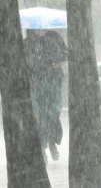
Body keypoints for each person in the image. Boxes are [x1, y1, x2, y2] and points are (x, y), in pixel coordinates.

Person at [24, 29, 68, 163]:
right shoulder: (27, 43)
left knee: (53, 113)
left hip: (53, 82)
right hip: (36, 84)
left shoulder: (54, 37)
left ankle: (52, 142)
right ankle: (42, 147)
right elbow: (24, 63)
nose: (40, 30)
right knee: (40, 116)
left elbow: (66, 53)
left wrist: (58, 61)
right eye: (37, 28)